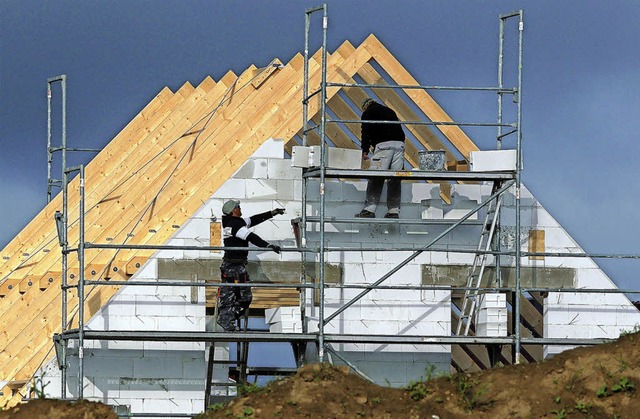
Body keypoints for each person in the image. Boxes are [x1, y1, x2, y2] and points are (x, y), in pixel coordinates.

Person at [218, 200, 285, 331]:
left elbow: (254, 220)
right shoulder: (234, 225)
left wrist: (272, 213)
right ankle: (226, 320)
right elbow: (251, 237)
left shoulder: (236, 222)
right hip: (233, 266)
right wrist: (268, 246)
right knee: (231, 295)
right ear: (234, 210)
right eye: (238, 207)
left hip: (236, 265)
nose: (240, 208)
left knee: (243, 296)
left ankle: (229, 319)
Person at [355, 97, 406, 219]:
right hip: (399, 145)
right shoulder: (389, 111)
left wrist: (365, 150)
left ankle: (369, 210)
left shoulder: (368, 113)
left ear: (365, 107)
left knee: (376, 177)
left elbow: (365, 132)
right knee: (395, 179)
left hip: (384, 146)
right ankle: (394, 211)